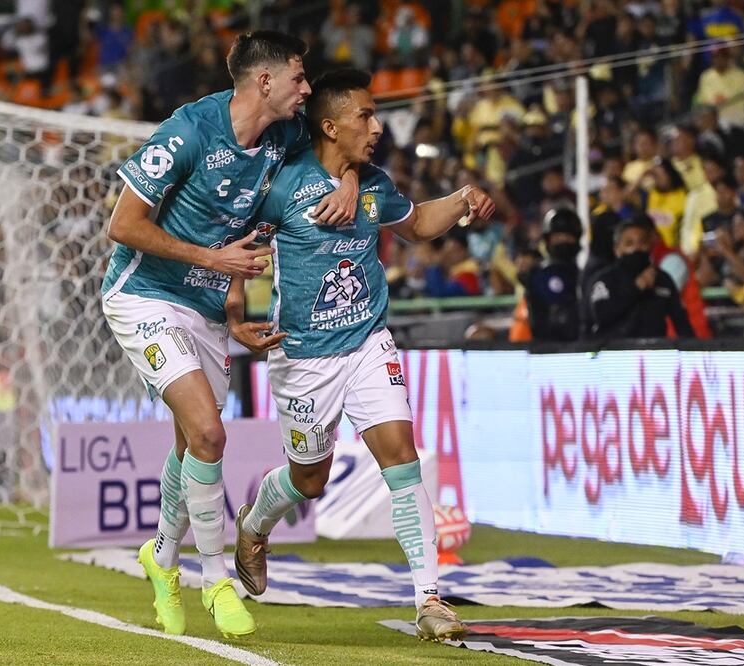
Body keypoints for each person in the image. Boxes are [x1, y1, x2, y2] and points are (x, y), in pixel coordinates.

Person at [101, 30, 358, 639]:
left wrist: (348, 176)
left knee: (193, 443)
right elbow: (123, 224)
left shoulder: (287, 135)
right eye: (299, 77)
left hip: (209, 310)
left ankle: (162, 556)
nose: (307, 89)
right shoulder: (187, 132)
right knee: (211, 431)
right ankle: (213, 578)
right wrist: (213, 262)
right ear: (264, 81)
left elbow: (341, 142)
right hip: (145, 297)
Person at [224, 68, 495, 642]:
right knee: (309, 479)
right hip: (302, 357)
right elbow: (238, 245)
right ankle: (254, 521)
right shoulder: (279, 183)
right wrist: (233, 318)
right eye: (364, 117)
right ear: (329, 125)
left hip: (369, 342)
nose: (376, 126)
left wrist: (463, 198)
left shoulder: (372, 182)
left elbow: (419, 223)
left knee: (401, 458)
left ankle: (429, 599)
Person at [587, 216, 694, 340]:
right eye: (629, 243)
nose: (637, 248)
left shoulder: (662, 279)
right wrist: (636, 288)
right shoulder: (605, 280)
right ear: (617, 249)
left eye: (642, 242)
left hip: (654, 354)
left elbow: (681, 322)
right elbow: (601, 315)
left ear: (650, 246)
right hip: (614, 354)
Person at [522, 207, 581, 342]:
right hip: (548, 348)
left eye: (568, 236)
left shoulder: (582, 273)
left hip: (578, 347)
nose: (564, 241)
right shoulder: (539, 274)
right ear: (548, 240)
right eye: (558, 236)